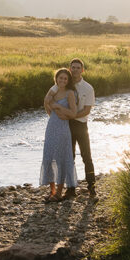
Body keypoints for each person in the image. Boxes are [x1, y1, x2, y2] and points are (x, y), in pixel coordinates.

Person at [44, 57, 96, 199]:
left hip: (80, 125)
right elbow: (47, 99)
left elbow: (86, 110)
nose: (75, 70)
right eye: (73, 67)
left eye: (78, 68)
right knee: (68, 157)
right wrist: (53, 116)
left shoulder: (88, 88)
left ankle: (92, 189)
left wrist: (70, 115)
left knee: (87, 156)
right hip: (65, 126)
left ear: (82, 70)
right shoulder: (63, 82)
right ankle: (71, 189)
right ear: (69, 68)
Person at [39, 68, 78, 202]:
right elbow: (46, 103)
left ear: (68, 81)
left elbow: (73, 113)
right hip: (51, 127)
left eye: (65, 79)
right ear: (56, 79)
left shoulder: (70, 93)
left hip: (63, 129)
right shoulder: (53, 92)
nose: (62, 80)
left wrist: (59, 108)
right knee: (49, 158)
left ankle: (59, 193)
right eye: (60, 78)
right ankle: (52, 191)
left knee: (61, 159)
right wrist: (53, 114)